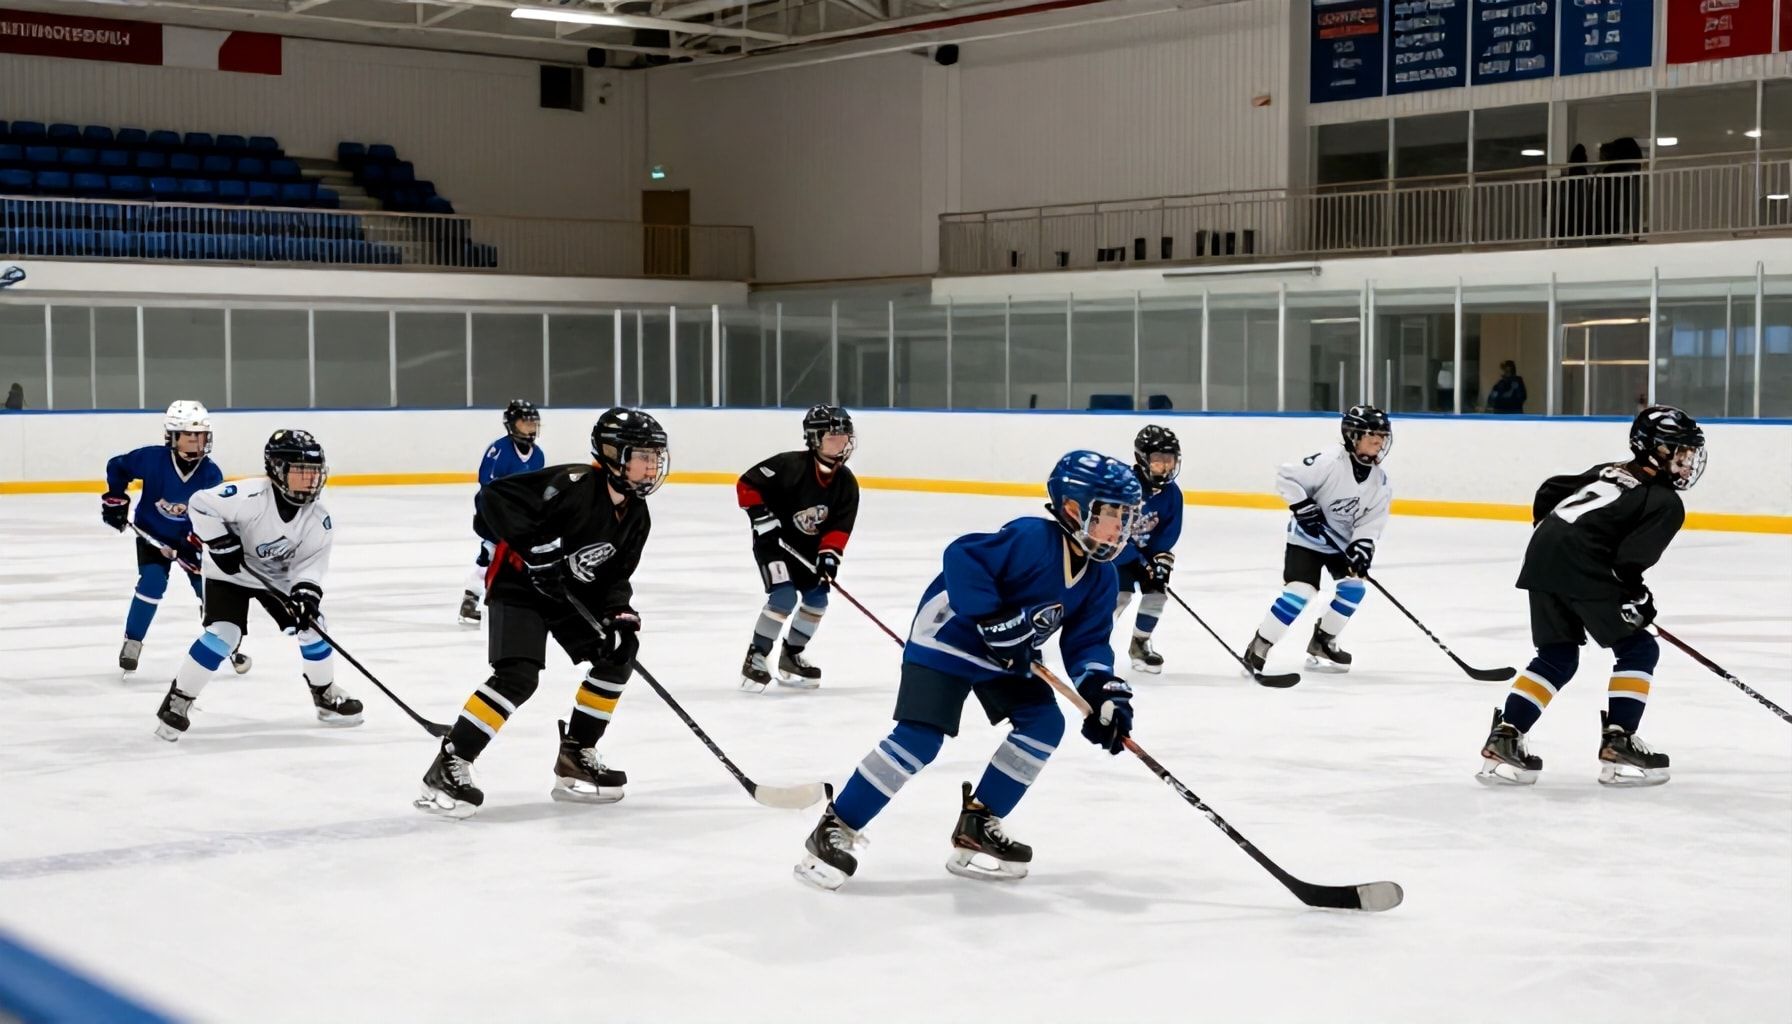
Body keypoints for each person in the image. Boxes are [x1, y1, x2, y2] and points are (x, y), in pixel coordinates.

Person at [793, 451, 1143, 891]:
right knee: (920, 738)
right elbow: (962, 557)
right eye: (1111, 515)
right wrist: (994, 618)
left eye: (1126, 517)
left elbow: (1087, 642)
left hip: (1007, 656)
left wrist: (1102, 694)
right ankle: (837, 824)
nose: (1121, 528)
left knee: (1044, 724)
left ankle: (977, 824)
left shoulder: (1101, 577)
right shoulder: (1032, 538)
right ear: (1073, 507)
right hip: (947, 640)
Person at [415, 408, 669, 819]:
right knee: (518, 676)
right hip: (519, 588)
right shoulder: (571, 484)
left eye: (656, 455)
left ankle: (576, 754)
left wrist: (619, 612)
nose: (652, 464)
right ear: (612, 453)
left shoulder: (637, 515)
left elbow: (617, 574)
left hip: (568, 594)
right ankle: (449, 760)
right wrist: (537, 552)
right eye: (643, 455)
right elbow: (492, 500)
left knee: (617, 657)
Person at [1478, 406, 1706, 788]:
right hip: (1584, 568)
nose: (1686, 462)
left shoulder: (1610, 469)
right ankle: (1619, 740)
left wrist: (1559, 542)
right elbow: (1626, 564)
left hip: (1542, 558)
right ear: (1653, 449)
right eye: (1678, 452)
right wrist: (1638, 599)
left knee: (1557, 656)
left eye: (1687, 453)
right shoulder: (1665, 503)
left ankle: (1506, 735)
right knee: (1639, 650)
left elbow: (1550, 490)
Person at [155, 430, 361, 740]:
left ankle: (324, 694)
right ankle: (179, 699)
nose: (310, 481)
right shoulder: (246, 495)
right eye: (301, 473)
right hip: (229, 573)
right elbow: (199, 504)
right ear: (277, 470)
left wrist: (305, 594)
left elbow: (310, 564)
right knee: (224, 634)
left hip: (274, 578)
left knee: (313, 626)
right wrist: (220, 543)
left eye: (314, 473)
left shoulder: (318, 518)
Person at [1243, 405, 1393, 675]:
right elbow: (1286, 477)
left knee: (1354, 588)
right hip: (1307, 540)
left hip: (1340, 544)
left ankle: (1323, 642)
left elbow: (1371, 521)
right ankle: (1259, 645)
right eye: (1372, 433)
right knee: (1300, 593)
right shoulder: (1329, 462)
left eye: (1383, 434)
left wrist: (1362, 545)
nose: (1379, 440)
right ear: (1353, 435)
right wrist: (1301, 506)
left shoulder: (1380, 482)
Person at [102, 400, 247, 677]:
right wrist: (116, 500)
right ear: (173, 436)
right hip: (152, 534)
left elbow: (212, 514)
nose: (196, 440)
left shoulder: (210, 473)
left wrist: (193, 542)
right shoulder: (152, 459)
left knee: (208, 591)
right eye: (189, 434)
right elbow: (117, 467)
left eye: (201, 434)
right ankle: (133, 641)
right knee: (152, 582)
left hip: (188, 540)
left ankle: (224, 641)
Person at [737, 404, 861, 692]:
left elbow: (840, 527)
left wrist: (829, 557)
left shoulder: (846, 483)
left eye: (844, 438)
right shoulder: (788, 465)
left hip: (808, 553)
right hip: (775, 547)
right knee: (783, 598)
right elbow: (747, 484)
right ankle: (756, 654)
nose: (840, 444)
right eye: (833, 437)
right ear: (814, 438)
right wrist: (761, 517)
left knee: (817, 601)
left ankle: (791, 655)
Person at [459, 400, 545, 625]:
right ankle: (470, 600)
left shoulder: (538, 455)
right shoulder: (499, 450)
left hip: (520, 518)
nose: (530, 429)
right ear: (511, 425)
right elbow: (487, 486)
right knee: (489, 552)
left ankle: (517, 602)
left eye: (533, 423)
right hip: (493, 514)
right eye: (524, 423)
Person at [1111, 425, 1183, 674]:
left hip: (1145, 555)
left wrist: (1159, 560)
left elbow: (1168, 534)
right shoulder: (1122, 488)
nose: (1165, 466)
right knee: (1119, 596)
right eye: (1157, 460)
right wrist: (1134, 559)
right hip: (1115, 555)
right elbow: (1110, 530)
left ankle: (1140, 645)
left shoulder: (1172, 494)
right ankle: (1091, 641)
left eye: (1169, 460)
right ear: (1142, 459)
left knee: (1157, 592)